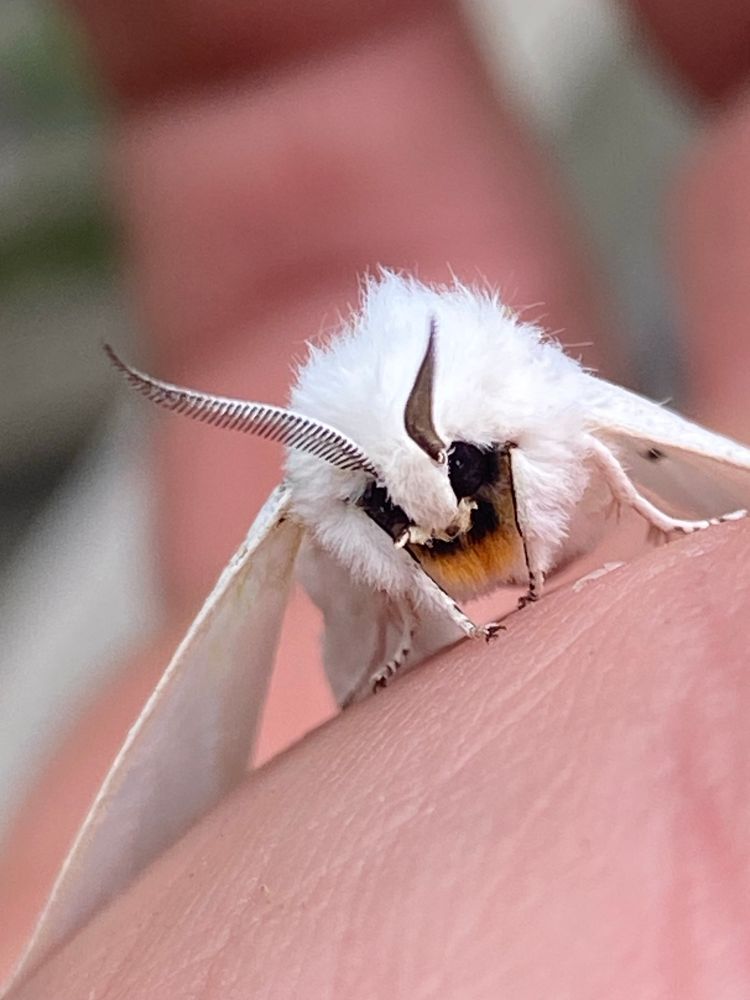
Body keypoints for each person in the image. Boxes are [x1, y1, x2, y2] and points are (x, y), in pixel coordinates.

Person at [6, 0, 750, 995]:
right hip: (385, 636)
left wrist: (668, 523)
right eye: (401, 511)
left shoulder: (515, 394)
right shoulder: (331, 488)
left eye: (462, 481)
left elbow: (594, 443)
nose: (444, 519)